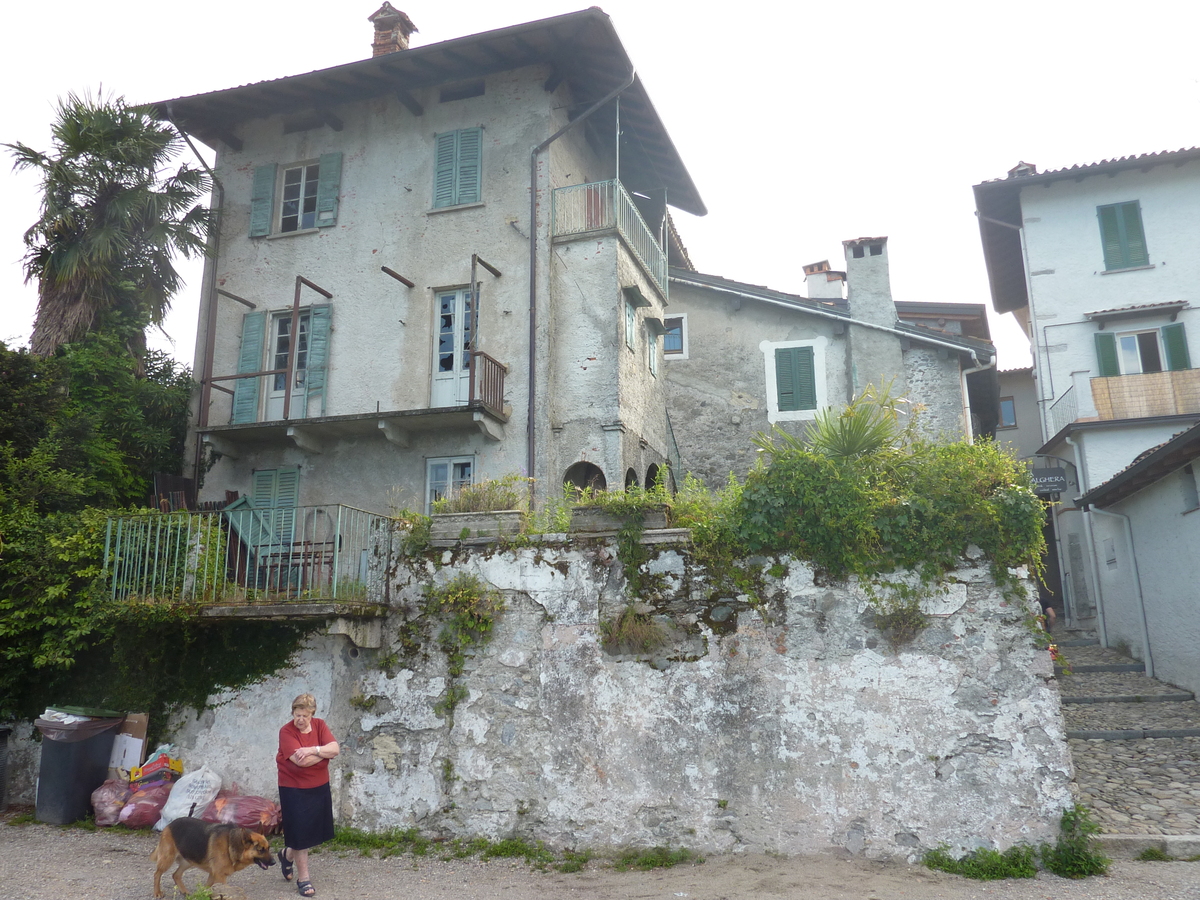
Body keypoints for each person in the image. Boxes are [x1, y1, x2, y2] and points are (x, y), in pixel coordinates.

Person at [276, 693, 339, 897]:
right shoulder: (286, 731)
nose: (300, 719)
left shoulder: (320, 725)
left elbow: (335, 749)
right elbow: (300, 762)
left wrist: (314, 749)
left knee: (310, 830)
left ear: (312, 714)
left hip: (318, 786)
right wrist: (324, 757)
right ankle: (304, 879)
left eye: (304, 715)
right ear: (292, 713)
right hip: (293, 787)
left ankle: (286, 855)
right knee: (301, 833)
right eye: (297, 714)